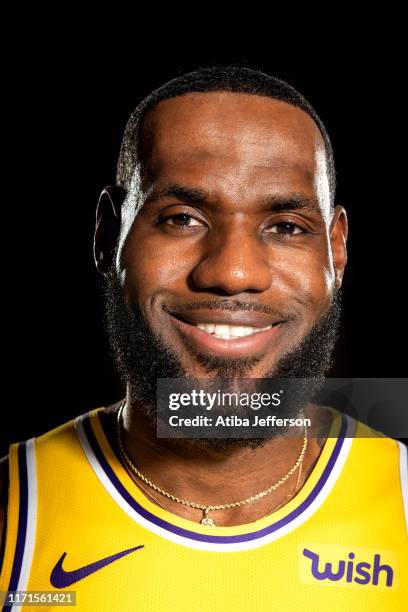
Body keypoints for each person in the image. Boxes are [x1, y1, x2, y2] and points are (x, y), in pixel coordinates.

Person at [0, 65, 406, 611]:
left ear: (336, 251)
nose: (234, 272)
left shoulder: (403, 499)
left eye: (286, 226)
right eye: (182, 219)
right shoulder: (10, 508)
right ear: (107, 236)